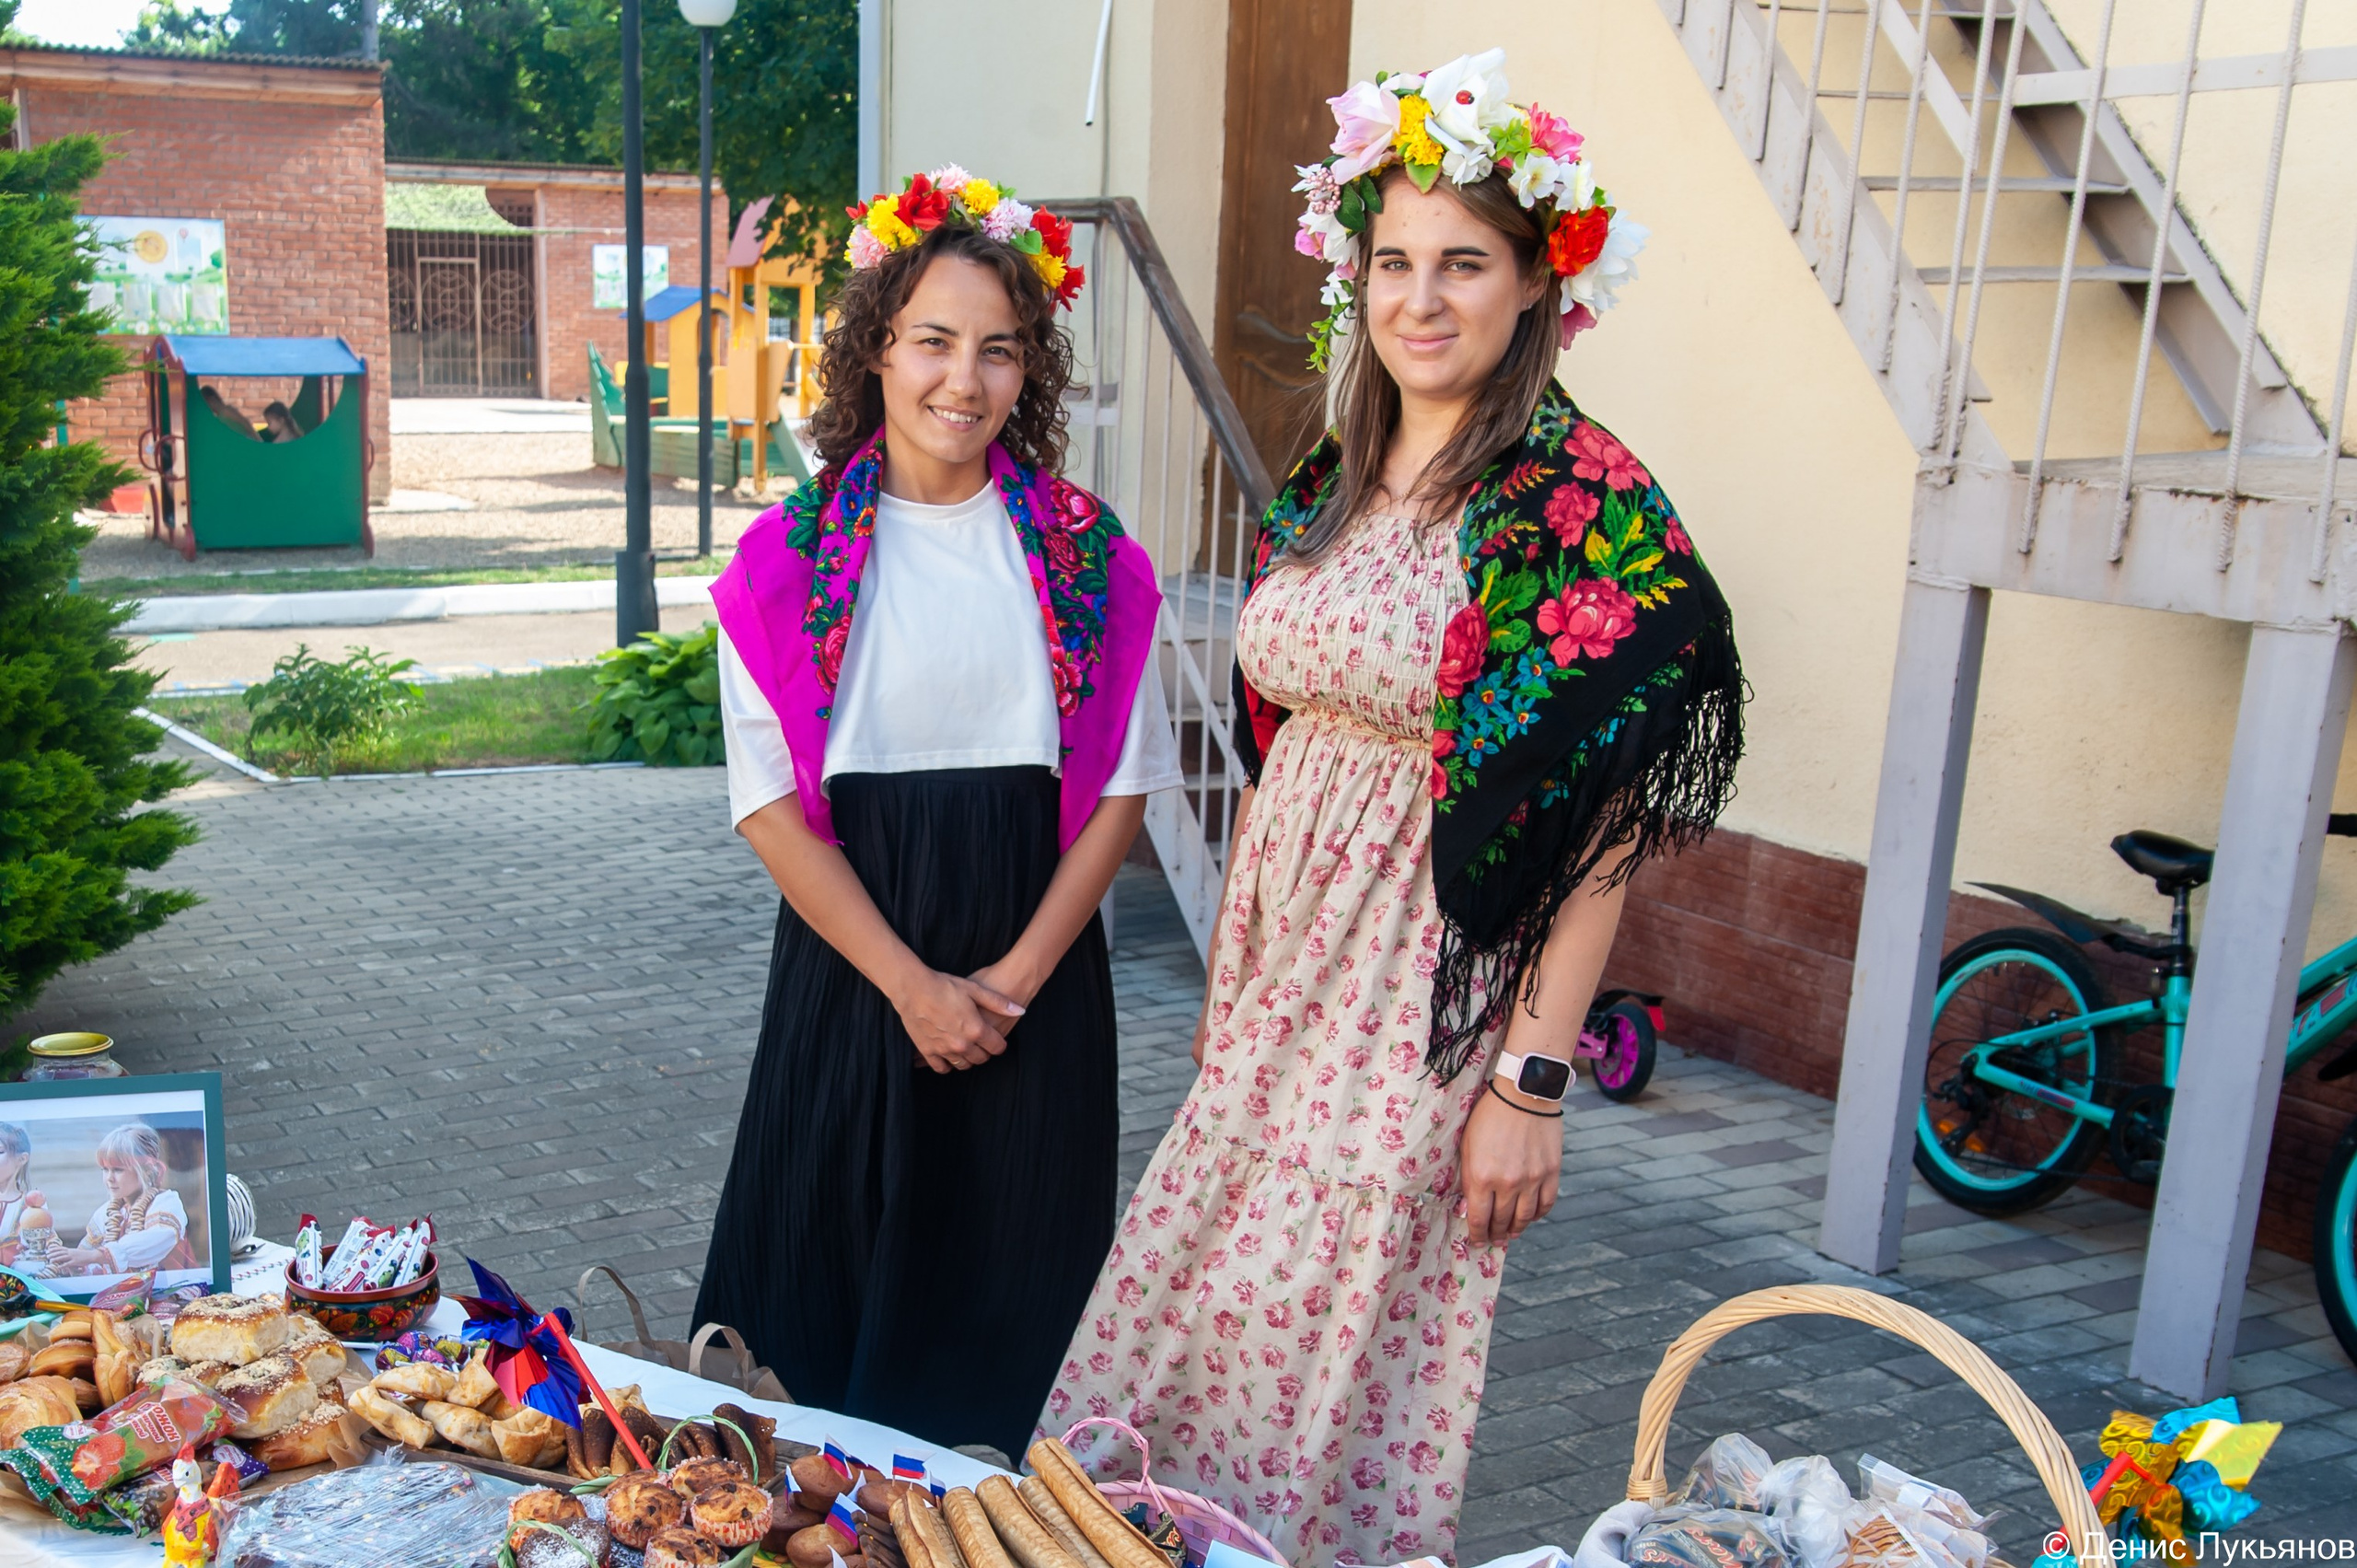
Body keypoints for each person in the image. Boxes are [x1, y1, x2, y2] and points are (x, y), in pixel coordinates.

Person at [1044, 52, 1744, 1564]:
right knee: (1196, 1311)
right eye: (1395, 262)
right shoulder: (1341, 469)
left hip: (1420, 996)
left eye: (1465, 264)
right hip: (1281, 985)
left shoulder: (1570, 496)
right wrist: (1242, 973)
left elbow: (1600, 827)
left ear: (1536, 282)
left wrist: (1531, 1081)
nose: (1421, 298)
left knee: (1319, 1347)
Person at [695, 166, 1182, 1463]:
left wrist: (1009, 985)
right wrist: (914, 986)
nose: (962, 381)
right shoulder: (785, 564)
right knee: (822, 1304)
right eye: (931, 342)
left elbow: (1121, 791)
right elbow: (771, 811)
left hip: (1035, 989)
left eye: (998, 350)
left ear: (1030, 371)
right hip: (857, 976)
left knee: (1007, 1312)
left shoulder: (1089, 558)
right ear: (874, 350)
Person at [52, 1122, 196, 1275]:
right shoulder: (105, 1213)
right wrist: (70, 1263)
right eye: (105, 1170)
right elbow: (85, 1254)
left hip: (171, 1292)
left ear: (146, 1171)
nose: (109, 1178)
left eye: (118, 1170)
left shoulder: (166, 1202)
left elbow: (157, 1239)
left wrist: (96, 1256)